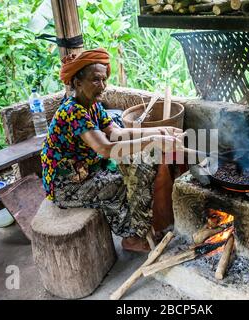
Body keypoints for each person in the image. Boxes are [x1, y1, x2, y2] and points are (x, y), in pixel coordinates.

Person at [40, 48, 183, 252]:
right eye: (96, 80)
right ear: (77, 83)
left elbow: (117, 133)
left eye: (104, 79)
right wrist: (154, 140)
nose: (103, 86)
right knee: (120, 182)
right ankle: (131, 237)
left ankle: (140, 228)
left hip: (88, 172)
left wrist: (161, 130)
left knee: (137, 168)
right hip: (66, 185)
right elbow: (105, 148)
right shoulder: (72, 111)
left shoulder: (92, 106)